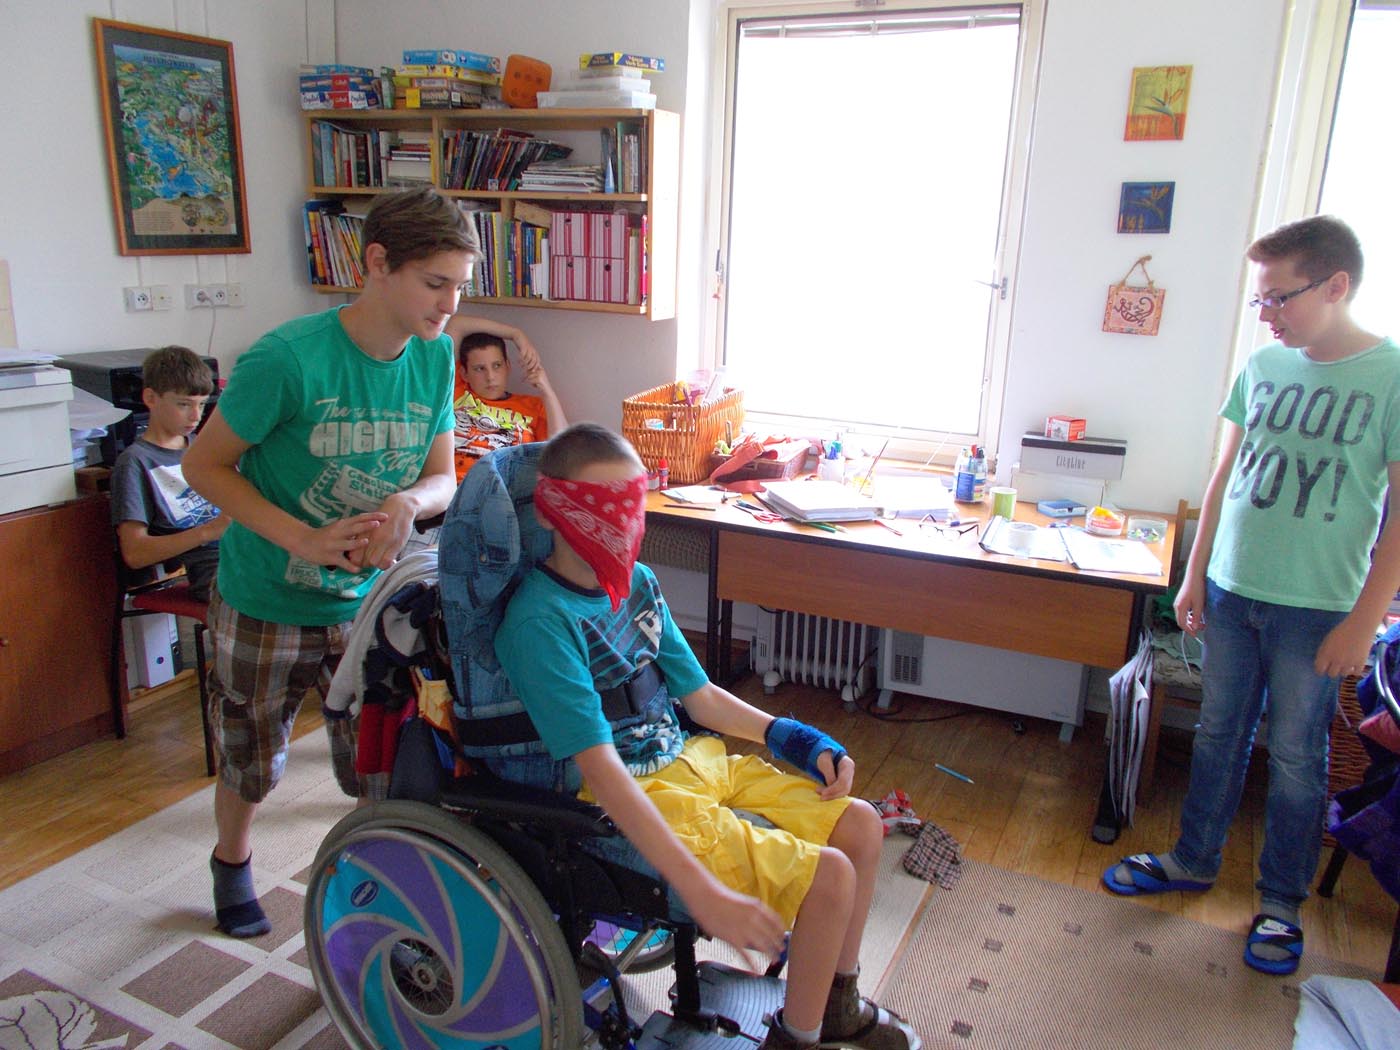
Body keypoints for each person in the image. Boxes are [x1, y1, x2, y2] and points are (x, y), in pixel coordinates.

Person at [492, 422, 920, 1049]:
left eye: (630, 506)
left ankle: (836, 1005)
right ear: (551, 511)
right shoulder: (540, 622)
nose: (622, 526)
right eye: (601, 508)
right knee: (827, 878)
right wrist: (703, 893)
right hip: (633, 794)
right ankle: (796, 1040)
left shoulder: (638, 585)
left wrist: (790, 736)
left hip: (694, 759)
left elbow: (699, 696)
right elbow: (602, 773)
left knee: (859, 825)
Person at [1103, 215, 1400, 976]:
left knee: (1297, 756)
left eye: (1278, 297)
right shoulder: (1264, 366)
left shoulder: (1391, 375)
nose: (1265, 313)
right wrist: (1194, 573)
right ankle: (1193, 859)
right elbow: (1224, 477)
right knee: (1217, 736)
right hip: (1233, 593)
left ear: (1336, 286)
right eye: (1259, 299)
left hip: (1318, 609)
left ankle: (1280, 902)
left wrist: (1365, 620)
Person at [183, 186, 478, 939]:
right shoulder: (287, 359)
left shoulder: (434, 356)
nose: (449, 305)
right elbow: (203, 466)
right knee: (252, 754)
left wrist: (411, 503)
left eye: (459, 286)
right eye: (435, 283)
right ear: (377, 263)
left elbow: (444, 476)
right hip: (266, 597)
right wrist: (300, 538)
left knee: (378, 764)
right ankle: (232, 860)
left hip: (371, 605)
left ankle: (381, 884)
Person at [111, 346, 226, 602]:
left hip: (246, 553)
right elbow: (135, 553)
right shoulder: (135, 462)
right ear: (151, 398)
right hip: (212, 569)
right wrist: (209, 531)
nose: (196, 416)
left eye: (202, 405)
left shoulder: (204, 448)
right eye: (184, 405)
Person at [444, 314, 567, 482]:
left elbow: (563, 453)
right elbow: (456, 324)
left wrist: (547, 391)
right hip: (458, 485)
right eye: (479, 369)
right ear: (464, 373)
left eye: (497, 366)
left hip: (506, 488)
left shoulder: (533, 406)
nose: (490, 377)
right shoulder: (455, 390)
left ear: (508, 367)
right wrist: (516, 334)